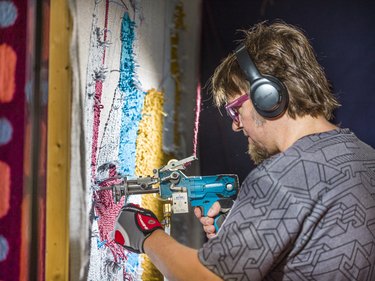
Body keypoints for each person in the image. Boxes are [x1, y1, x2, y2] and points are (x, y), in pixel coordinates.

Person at [114, 21, 375, 280]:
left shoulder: (281, 177)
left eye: (235, 110)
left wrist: (147, 235)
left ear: (267, 97)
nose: (236, 126)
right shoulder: (365, 156)